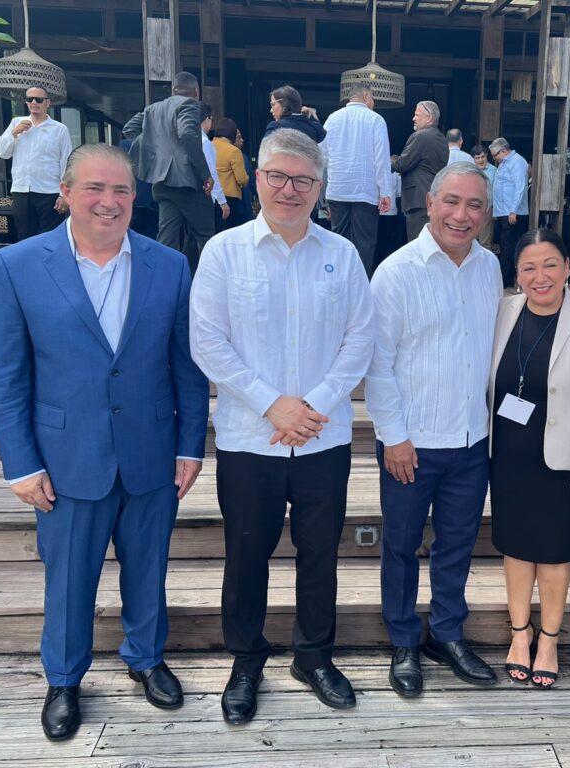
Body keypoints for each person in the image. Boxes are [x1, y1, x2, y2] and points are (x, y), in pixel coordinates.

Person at [0, 144, 209, 741]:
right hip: (64, 460)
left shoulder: (169, 265)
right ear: (65, 193)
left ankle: (146, 658)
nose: (109, 202)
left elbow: (186, 367)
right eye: (94, 189)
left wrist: (191, 447)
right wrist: (20, 464)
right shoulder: (19, 265)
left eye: (122, 191)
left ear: (137, 199)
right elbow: (7, 376)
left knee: (149, 570)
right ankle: (63, 679)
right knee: (68, 580)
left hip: (151, 453)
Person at [189, 128, 373, 725]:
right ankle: (245, 661)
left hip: (323, 435)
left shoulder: (341, 255)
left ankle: (314, 655)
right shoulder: (224, 252)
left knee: (320, 552)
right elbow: (207, 342)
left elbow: (359, 340)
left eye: (303, 180)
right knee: (246, 553)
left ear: (319, 189)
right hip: (251, 436)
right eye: (277, 177)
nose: (289, 190)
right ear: (257, 181)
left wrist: (311, 405)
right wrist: (273, 404)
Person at [366, 163, 502, 698]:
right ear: (428, 201)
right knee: (400, 545)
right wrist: (394, 435)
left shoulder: (490, 267)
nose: (461, 215)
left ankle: (445, 633)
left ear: (485, 213)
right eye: (452, 202)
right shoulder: (396, 271)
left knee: (457, 546)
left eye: (474, 205)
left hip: (472, 439)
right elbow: (378, 363)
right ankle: (403, 640)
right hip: (411, 443)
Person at [489, 228, 570, 689]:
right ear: (517, 274)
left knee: (553, 555)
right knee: (514, 549)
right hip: (506, 456)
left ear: (569, 267)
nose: (539, 276)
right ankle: (518, 635)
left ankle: (548, 640)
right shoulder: (503, 311)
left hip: (565, 462)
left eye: (550, 264)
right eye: (528, 267)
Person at [122, 71, 213, 274]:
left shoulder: (152, 108)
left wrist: (154, 151)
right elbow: (188, 134)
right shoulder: (189, 105)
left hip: (161, 182)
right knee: (206, 234)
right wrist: (205, 173)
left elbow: (129, 129)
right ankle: (210, 280)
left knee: (167, 237)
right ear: (196, 91)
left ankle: (164, 278)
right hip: (185, 180)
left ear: (173, 90)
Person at [321, 83, 392, 276]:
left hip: (338, 189)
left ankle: (337, 280)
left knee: (338, 240)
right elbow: (381, 159)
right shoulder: (376, 120)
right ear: (366, 95)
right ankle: (361, 285)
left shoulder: (333, 119)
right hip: (365, 190)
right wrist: (385, 192)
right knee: (365, 242)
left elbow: (322, 155)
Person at [0, 86, 73, 241]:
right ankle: (27, 266)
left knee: (51, 238)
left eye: (38, 99)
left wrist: (64, 194)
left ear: (47, 103)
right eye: (29, 99)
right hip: (22, 189)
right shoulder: (16, 123)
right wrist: (14, 133)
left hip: (49, 191)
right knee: (24, 237)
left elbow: (66, 162)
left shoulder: (59, 129)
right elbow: (3, 153)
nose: (33, 102)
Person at [392, 100, 448, 241]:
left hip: (418, 200)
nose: (413, 118)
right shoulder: (441, 139)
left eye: (417, 115)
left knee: (418, 244)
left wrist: (389, 160)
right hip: (433, 197)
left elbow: (402, 164)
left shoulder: (420, 137)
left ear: (429, 118)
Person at [490, 137, 529, 288]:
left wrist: (514, 210)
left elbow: (520, 187)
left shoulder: (517, 162)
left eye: (495, 155)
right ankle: (505, 278)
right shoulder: (504, 163)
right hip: (501, 212)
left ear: (504, 150)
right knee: (504, 245)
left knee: (509, 247)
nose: (494, 158)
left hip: (512, 212)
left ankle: (503, 279)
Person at [211, 117, 250, 231]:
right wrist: (247, 178)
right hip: (230, 198)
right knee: (229, 230)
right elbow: (242, 179)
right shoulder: (233, 151)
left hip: (212, 196)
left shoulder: (208, 145)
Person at [199, 102, 230, 234]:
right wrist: (222, 201)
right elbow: (211, 173)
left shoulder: (184, 138)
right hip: (204, 196)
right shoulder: (205, 142)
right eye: (211, 119)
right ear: (206, 119)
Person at [472, 144, 496, 248]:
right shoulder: (470, 170)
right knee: (470, 239)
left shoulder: (494, 171)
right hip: (471, 209)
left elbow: (496, 192)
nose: (480, 160)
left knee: (484, 240)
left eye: (483, 157)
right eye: (477, 158)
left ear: (487, 156)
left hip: (487, 209)